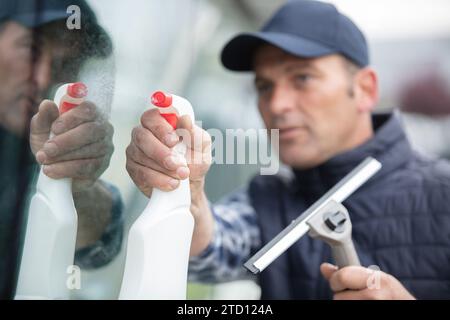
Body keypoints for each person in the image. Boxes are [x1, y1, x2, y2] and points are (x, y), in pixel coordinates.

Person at [125, 0, 450, 299]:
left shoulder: (443, 193)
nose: (276, 105)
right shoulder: (267, 199)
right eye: (264, 86)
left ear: (364, 89)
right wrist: (186, 189)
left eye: (303, 78)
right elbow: (210, 249)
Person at [0, 0, 123, 299]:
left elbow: (97, 249)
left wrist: (77, 185)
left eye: (66, 63)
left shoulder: (38, 150)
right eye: (30, 49)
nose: (42, 78)